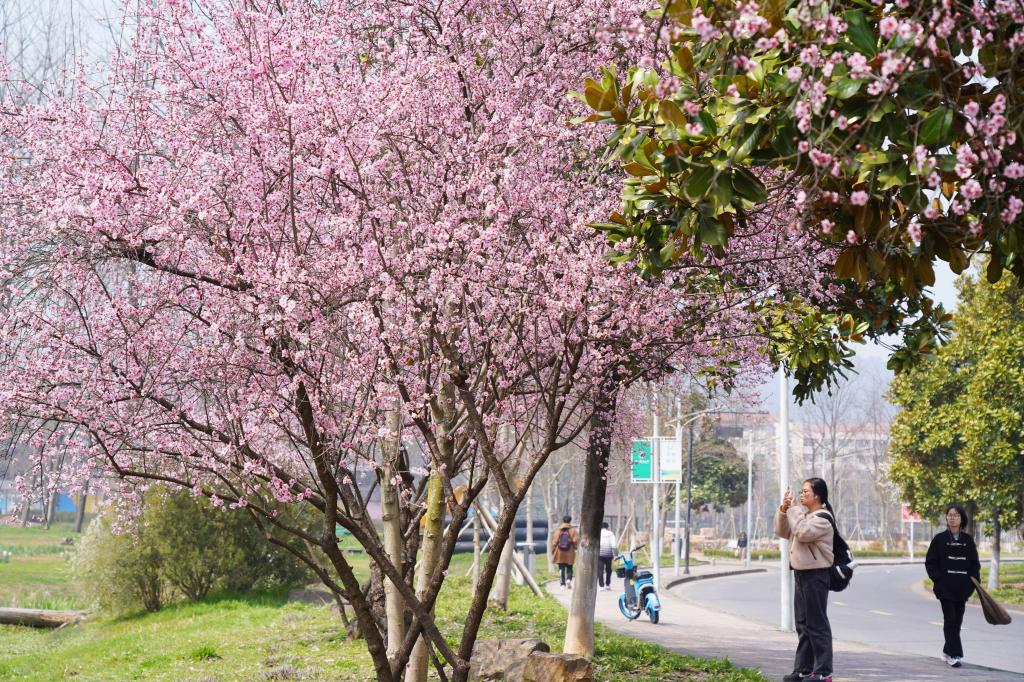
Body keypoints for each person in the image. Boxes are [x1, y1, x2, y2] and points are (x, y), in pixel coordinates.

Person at [776, 478, 835, 682]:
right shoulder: (805, 516)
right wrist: (784, 510)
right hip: (801, 574)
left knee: (817, 624)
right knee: (803, 625)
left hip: (816, 575)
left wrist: (794, 510)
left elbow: (802, 533)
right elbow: (784, 532)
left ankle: (824, 672)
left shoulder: (822, 518)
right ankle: (803, 669)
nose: (801, 495)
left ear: (817, 495)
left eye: (805, 492)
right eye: (800, 492)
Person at [925, 504, 981, 668]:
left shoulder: (968, 540)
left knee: (957, 621)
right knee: (950, 619)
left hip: (962, 589)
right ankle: (954, 654)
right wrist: (939, 580)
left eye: (956, 515)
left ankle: (946, 651)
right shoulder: (939, 539)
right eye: (950, 515)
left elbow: (974, 564)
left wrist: (972, 585)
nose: (952, 518)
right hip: (945, 589)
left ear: (961, 518)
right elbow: (930, 562)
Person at [550, 514, 579, 589]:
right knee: (569, 568)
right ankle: (568, 579)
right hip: (570, 552)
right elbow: (576, 541)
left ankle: (562, 584)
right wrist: (575, 547)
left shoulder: (558, 530)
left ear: (563, 521)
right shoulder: (573, 530)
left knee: (561, 568)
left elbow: (554, 542)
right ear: (570, 521)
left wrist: (553, 551)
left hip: (560, 552)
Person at [598, 522, 617, 590]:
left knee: (600, 570)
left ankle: (601, 586)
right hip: (609, 554)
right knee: (608, 570)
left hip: (600, 554)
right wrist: (615, 555)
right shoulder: (611, 534)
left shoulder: (598, 534)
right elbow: (614, 545)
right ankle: (607, 585)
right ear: (607, 527)